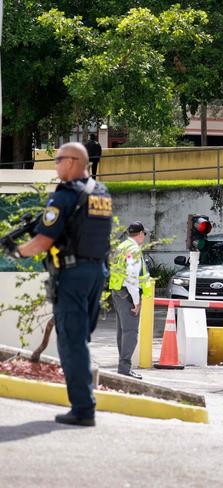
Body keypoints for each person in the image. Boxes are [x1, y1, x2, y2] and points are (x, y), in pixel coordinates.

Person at [8, 142, 112, 427]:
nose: (55, 166)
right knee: (81, 339)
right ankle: (83, 403)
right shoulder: (101, 193)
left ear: (72, 162)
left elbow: (42, 242)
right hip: (96, 272)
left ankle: (83, 408)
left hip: (73, 275)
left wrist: (16, 251)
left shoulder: (64, 196)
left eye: (57, 160)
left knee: (71, 341)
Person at [108, 221, 152, 380]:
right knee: (131, 333)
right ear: (140, 233)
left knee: (122, 332)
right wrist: (136, 301)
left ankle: (123, 367)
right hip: (127, 294)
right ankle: (124, 368)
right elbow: (132, 277)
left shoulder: (122, 247)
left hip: (118, 292)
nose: (144, 237)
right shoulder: (133, 250)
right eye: (144, 234)